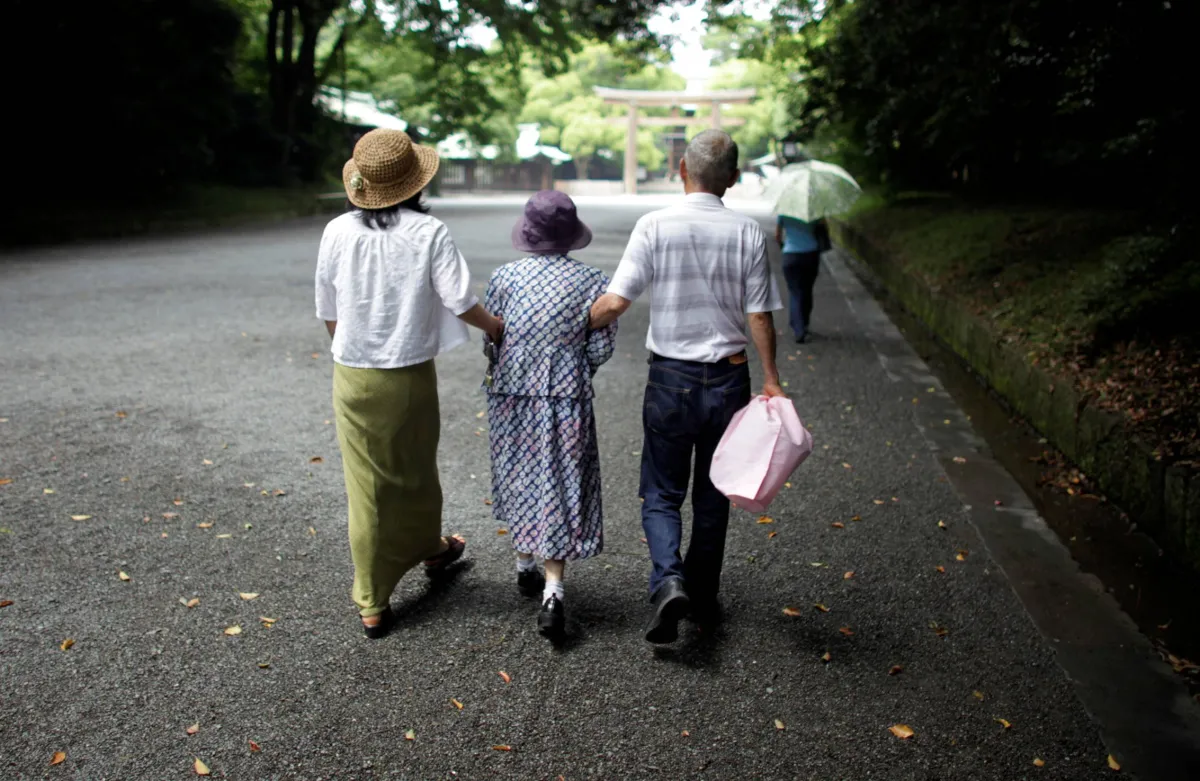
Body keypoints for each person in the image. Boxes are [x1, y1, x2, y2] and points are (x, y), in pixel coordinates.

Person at [589, 129, 785, 644]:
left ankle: (668, 579)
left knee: (660, 491)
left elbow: (614, 303)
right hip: (728, 378)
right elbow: (760, 314)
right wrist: (772, 380)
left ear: (681, 169)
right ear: (734, 179)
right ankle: (700, 590)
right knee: (716, 490)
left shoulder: (655, 225)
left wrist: (563, 327)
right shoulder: (747, 232)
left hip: (670, 378)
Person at [314, 128, 505, 639]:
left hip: (352, 374)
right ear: (415, 184)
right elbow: (461, 302)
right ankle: (392, 580)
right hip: (409, 375)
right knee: (415, 471)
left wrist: (352, 346)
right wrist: (497, 328)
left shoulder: (336, 231)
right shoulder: (428, 232)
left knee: (367, 485)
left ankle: (392, 584)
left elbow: (329, 310)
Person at [483, 190, 617, 638]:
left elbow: (493, 339)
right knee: (559, 480)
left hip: (511, 391)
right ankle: (553, 590)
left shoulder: (504, 278)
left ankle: (524, 563)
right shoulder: (593, 282)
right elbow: (600, 348)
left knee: (519, 471)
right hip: (566, 394)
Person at [775, 215, 831, 343]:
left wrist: (784, 246)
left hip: (790, 255)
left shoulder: (783, 213)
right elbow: (824, 228)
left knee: (795, 292)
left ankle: (798, 327)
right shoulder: (814, 213)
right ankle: (803, 324)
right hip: (810, 255)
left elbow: (777, 236)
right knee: (807, 290)